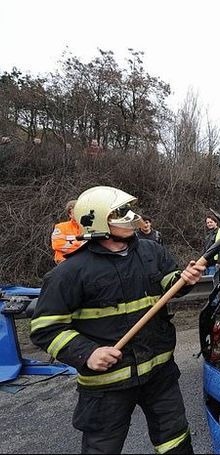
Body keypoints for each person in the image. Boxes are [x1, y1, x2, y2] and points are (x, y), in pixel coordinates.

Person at [30, 186, 204, 454]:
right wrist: (87, 353)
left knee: (176, 441)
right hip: (107, 385)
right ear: (96, 220)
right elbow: (45, 328)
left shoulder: (151, 251)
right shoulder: (70, 273)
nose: (131, 216)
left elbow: (169, 281)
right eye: (120, 212)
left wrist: (185, 279)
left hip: (159, 374)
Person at [51, 199, 85, 264]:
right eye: (75, 211)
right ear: (70, 214)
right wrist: (81, 246)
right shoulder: (61, 227)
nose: (78, 214)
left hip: (83, 262)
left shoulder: (88, 227)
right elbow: (57, 245)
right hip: (64, 262)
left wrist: (73, 244)